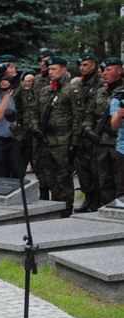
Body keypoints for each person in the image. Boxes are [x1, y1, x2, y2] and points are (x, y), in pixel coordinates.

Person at [31, 56, 81, 217]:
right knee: (49, 177)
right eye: (50, 69)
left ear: (64, 70)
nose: (50, 72)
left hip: (63, 141)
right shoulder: (45, 91)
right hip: (46, 141)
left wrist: (74, 143)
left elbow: (77, 118)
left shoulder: (71, 90)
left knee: (63, 178)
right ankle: (53, 209)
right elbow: (34, 112)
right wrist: (35, 127)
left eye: (54, 69)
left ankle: (66, 210)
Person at [82, 57, 123, 208]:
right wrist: (88, 129)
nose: (104, 74)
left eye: (108, 70)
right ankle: (108, 210)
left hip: (117, 144)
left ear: (119, 71)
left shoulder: (122, 91)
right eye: (103, 70)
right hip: (100, 143)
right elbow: (88, 114)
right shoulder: (100, 92)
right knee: (103, 181)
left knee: (120, 180)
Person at [74, 52, 103, 212]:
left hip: (94, 133)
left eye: (85, 65)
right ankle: (87, 199)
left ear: (93, 65)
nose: (82, 68)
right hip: (79, 133)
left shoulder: (101, 83)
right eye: (81, 65)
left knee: (96, 170)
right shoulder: (78, 84)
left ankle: (97, 202)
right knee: (82, 170)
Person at [111, 79, 124, 197]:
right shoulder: (119, 98)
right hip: (123, 150)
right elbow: (114, 126)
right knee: (122, 191)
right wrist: (119, 115)